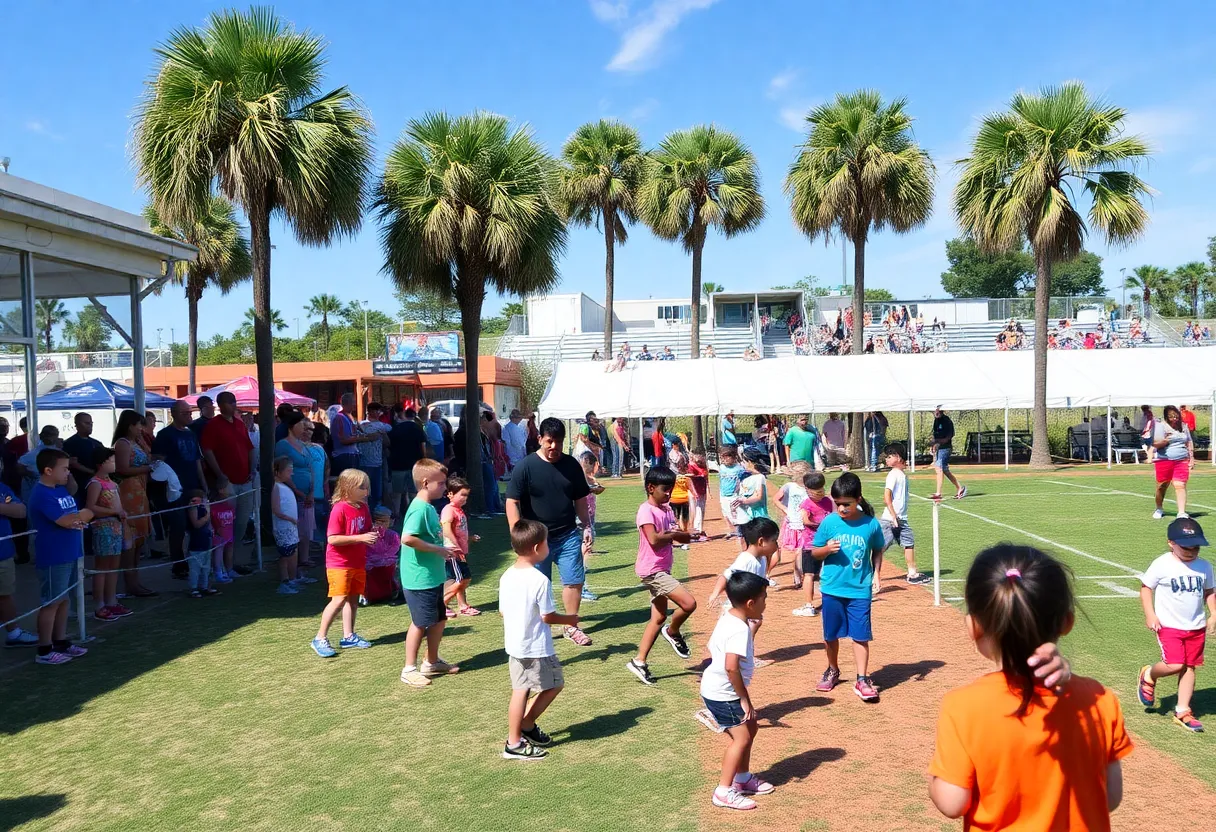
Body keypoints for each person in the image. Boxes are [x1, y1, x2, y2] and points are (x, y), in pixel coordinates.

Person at [929, 545, 1129, 829]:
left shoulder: (963, 706)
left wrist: (934, 779)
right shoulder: (1100, 700)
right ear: (1067, 622)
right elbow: (1110, 797)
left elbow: (952, 803)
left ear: (973, 626)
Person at [505, 418, 594, 647]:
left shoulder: (572, 465)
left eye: (559, 442)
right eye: (549, 441)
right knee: (536, 585)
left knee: (574, 581)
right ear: (540, 439)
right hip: (535, 541)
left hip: (567, 536)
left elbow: (580, 498)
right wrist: (518, 533)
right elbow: (512, 501)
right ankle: (536, 628)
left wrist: (586, 525)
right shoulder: (525, 466)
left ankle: (571, 627)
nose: (554, 446)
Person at [500, 518, 580, 761]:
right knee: (553, 684)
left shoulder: (506, 575)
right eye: (546, 543)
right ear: (537, 548)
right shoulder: (539, 580)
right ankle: (519, 734)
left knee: (522, 690)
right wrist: (570, 619)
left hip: (515, 645)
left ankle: (520, 732)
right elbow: (548, 616)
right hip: (535, 647)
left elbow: (503, 611)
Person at [808, 472, 885, 701]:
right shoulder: (830, 522)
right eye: (838, 504)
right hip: (832, 588)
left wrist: (877, 574)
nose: (841, 508)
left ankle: (861, 679)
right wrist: (826, 549)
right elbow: (814, 552)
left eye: (846, 504)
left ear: (858, 499)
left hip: (859, 590)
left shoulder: (870, 524)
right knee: (830, 635)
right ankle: (833, 669)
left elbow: (878, 548)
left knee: (861, 636)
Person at [699, 571, 772, 811]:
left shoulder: (730, 617)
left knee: (751, 727)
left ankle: (742, 780)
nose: (766, 602)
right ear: (751, 603)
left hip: (717, 687)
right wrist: (745, 700)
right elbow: (732, 668)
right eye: (764, 597)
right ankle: (723, 791)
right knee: (741, 739)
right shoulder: (739, 629)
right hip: (724, 693)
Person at [1137, 517, 1215, 732]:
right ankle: (1149, 674)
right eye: (1186, 547)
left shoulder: (1204, 566)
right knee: (1175, 664)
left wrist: (1213, 614)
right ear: (1171, 542)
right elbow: (1146, 588)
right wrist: (1150, 614)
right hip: (1169, 625)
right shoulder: (1162, 563)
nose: (1191, 551)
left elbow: (1209, 592)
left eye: (1196, 547)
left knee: (1189, 666)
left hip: (1195, 626)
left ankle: (1183, 710)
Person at [624, 465, 694, 686]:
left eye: (671, 489)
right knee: (689, 604)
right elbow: (654, 539)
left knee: (658, 617)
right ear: (650, 487)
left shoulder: (667, 510)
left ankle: (639, 661)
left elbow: (683, 538)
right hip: (652, 570)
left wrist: (680, 534)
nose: (668, 493)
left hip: (662, 568)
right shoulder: (646, 510)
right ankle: (673, 632)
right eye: (665, 489)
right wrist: (672, 534)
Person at [400, 458, 462, 686]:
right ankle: (409, 669)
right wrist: (439, 549)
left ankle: (432, 661)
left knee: (438, 619)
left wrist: (444, 549)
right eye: (442, 483)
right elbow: (407, 538)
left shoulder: (427, 507)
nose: (446, 487)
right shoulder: (419, 508)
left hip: (432, 576)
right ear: (426, 482)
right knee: (420, 623)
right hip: (419, 578)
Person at [29, 448, 93, 665]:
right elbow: (68, 520)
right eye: (64, 469)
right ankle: (44, 650)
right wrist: (84, 514)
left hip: (71, 552)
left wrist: (81, 515)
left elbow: (79, 516)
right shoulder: (41, 494)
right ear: (48, 470)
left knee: (64, 601)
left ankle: (61, 641)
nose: (68, 472)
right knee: (52, 602)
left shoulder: (60, 490)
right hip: (54, 556)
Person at [312, 468, 377, 658]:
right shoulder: (339, 509)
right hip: (339, 563)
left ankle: (349, 636)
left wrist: (374, 533)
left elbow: (365, 530)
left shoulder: (363, 507)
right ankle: (320, 637)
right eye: (362, 487)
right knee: (339, 599)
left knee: (353, 599)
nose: (366, 492)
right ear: (348, 488)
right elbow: (332, 539)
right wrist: (362, 538)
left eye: (367, 487)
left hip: (357, 561)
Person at [153, 401, 208, 579]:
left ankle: (196, 561)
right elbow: (158, 462)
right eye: (185, 413)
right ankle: (178, 564)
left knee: (196, 524)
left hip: (193, 485)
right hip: (174, 489)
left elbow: (197, 460)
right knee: (178, 526)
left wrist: (203, 484)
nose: (189, 416)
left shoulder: (191, 434)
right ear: (174, 413)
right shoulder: (164, 435)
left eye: (190, 412)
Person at [112, 410, 156, 597]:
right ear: (129, 425)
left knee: (138, 540)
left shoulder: (137, 442)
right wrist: (147, 468)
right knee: (130, 539)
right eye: (138, 425)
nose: (141, 428)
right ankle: (130, 583)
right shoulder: (122, 444)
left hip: (140, 491)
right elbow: (121, 469)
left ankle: (135, 581)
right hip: (128, 492)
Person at [85, 448, 130, 621]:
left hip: (116, 528)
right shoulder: (95, 483)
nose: (114, 464)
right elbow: (91, 506)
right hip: (103, 528)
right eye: (111, 461)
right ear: (101, 464)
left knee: (113, 567)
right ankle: (99, 605)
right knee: (102, 568)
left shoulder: (112, 483)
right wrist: (112, 512)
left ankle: (112, 601)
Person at [880, 444, 931, 585]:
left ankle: (912, 573)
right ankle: (865, 573)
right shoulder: (893, 474)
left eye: (889, 457)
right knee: (880, 548)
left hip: (901, 519)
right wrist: (893, 515)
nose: (886, 460)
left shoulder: (901, 474)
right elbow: (887, 496)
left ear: (898, 456)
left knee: (909, 543)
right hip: (890, 519)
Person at [274, 412, 315, 567]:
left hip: (307, 494)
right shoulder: (282, 445)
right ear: (292, 426)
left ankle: (304, 559)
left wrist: (311, 492)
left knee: (306, 528)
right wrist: (297, 491)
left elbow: (310, 467)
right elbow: (282, 469)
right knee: (294, 528)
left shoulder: (303, 445)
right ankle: (292, 562)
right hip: (291, 493)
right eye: (301, 424)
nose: (304, 428)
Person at [792, 471, 833, 617]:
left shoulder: (828, 501)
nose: (820, 493)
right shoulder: (806, 504)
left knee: (823, 573)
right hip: (811, 544)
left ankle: (828, 602)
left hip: (825, 545)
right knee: (809, 574)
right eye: (817, 492)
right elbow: (805, 521)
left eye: (822, 490)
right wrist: (822, 524)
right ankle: (809, 605)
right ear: (808, 490)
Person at [0, 474, 34, 646]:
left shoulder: (2, 488)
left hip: (3, 553)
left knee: (5, 595)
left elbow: (20, 511)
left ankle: (14, 633)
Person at [441, 475, 481, 617]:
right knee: (462, 579)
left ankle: (463, 605)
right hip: (453, 552)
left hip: (460, 551)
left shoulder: (459, 510)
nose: (465, 498)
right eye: (462, 495)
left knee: (462, 579)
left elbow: (459, 531)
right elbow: (446, 531)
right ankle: (440, 605)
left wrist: (469, 538)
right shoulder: (448, 510)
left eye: (467, 495)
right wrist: (457, 547)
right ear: (450, 494)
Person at [1151, 405, 1195, 520]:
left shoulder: (1183, 426)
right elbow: (1155, 444)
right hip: (1164, 460)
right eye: (1171, 417)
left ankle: (1181, 512)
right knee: (1162, 486)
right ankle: (1159, 508)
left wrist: (1191, 458)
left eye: (1176, 416)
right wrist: (1165, 440)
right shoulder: (1161, 427)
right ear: (1166, 417)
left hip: (1181, 460)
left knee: (1180, 485)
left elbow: (1189, 441)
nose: (1174, 419)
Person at [388, 407, 427, 523]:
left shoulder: (395, 429)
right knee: (413, 492)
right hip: (414, 466)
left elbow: (389, 446)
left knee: (397, 493)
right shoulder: (418, 429)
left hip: (397, 465)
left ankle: (396, 515)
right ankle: (414, 514)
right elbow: (423, 447)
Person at [271, 456, 302, 596]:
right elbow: (276, 510)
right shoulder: (276, 488)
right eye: (289, 471)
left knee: (293, 551)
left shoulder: (284, 487)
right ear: (278, 472)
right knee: (285, 554)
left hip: (291, 527)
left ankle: (292, 577)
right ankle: (285, 580)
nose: (292, 474)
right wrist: (290, 519)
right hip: (284, 528)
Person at [774, 461, 809, 575]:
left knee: (802, 549)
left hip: (806, 522)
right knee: (799, 549)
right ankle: (798, 574)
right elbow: (776, 499)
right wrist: (785, 509)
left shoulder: (810, 487)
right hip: (794, 523)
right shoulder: (789, 486)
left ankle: (799, 573)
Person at [331, 393, 374, 476]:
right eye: (353, 402)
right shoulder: (339, 418)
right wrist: (364, 439)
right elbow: (344, 440)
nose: (355, 404)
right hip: (344, 457)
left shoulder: (350, 417)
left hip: (353, 456)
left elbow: (359, 432)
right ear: (347, 403)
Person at [185, 489, 218, 598]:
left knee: (206, 568)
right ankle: (193, 588)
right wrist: (207, 515)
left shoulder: (204, 508)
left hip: (206, 543)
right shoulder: (193, 508)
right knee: (195, 569)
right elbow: (196, 524)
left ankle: (204, 586)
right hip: (196, 543)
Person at [930, 406, 965, 501]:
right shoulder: (936, 421)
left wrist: (941, 441)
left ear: (941, 411)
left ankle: (938, 493)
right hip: (940, 448)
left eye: (937, 410)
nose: (935, 412)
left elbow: (950, 434)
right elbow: (935, 435)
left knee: (939, 468)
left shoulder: (947, 420)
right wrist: (934, 444)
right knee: (945, 470)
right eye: (935, 410)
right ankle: (960, 488)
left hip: (946, 448)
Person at [63, 413, 104, 495]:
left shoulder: (97, 444)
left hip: (98, 484)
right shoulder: (69, 444)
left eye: (91, 423)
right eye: (87, 423)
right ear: (77, 425)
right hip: (79, 485)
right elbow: (72, 464)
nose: (90, 426)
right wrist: (93, 472)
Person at [716, 445, 747, 540]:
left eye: (726, 457)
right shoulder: (721, 468)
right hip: (723, 494)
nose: (723, 459)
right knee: (725, 513)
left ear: (733, 457)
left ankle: (738, 531)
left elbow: (743, 482)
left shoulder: (739, 469)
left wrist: (739, 493)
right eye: (722, 457)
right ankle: (731, 530)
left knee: (734, 513)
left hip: (734, 495)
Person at [211, 481, 236, 583]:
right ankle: (218, 573)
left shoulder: (229, 504)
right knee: (218, 552)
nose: (231, 490)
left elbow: (233, 517)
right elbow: (212, 519)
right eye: (228, 487)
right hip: (219, 535)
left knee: (229, 550)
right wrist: (217, 530)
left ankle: (228, 570)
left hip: (229, 533)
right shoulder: (214, 505)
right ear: (221, 490)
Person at [688, 450, 709, 542]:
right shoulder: (691, 466)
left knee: (701, 511)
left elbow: (706, 477)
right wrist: (694, 492)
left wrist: (708, 491)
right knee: (697, 511)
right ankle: (696, 532)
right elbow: (688, 478)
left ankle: (699, 530)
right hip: (695, 492)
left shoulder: (703, 466)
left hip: (702, 491)